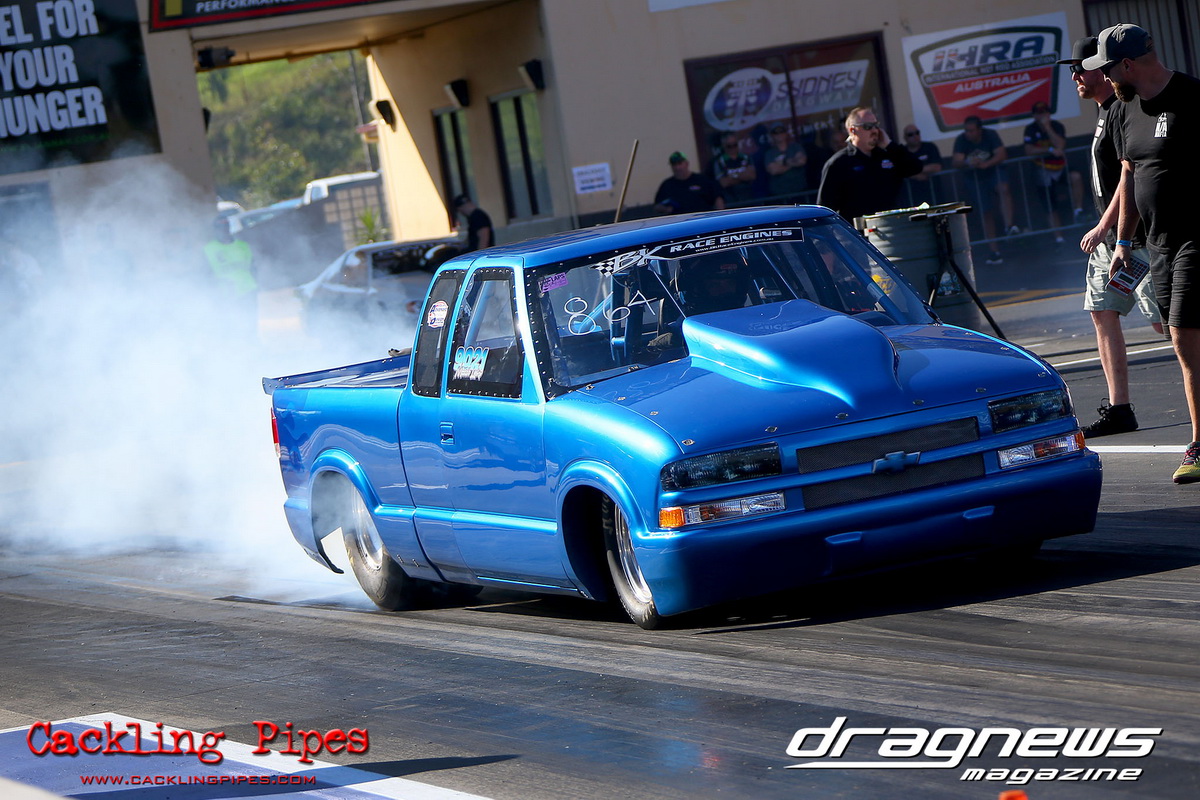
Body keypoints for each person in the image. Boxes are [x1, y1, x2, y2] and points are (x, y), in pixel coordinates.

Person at [1084, 23, 1200, 482]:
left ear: (1127, 64)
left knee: (1183, 334)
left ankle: (1198, 444)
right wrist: (1122, 242)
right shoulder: (1125, 109)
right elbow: (1129, 175)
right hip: (1157, 245)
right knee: (1181, 339)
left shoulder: (1192, 96)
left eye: (1106, 68)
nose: (1103, 76)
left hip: (1195, 239)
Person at [1060, 35, 1163, 437]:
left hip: (1135, 237)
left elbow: (1128, 173)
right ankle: (1120, 409)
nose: (1075, 77)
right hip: (1111, 241)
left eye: (1079, 69)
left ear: (1101, 70)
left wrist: (1107, 226)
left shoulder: (1122, 109)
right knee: (1102, 312)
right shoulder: (1104, 111)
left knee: (1167, 325)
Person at [816, 106, 922, 224]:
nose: (874, 130)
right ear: (853, 130)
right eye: (868, 126)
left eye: (876, 125)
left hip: (893, 227)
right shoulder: (839, 163)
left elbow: (916, 167)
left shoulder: (887, 154)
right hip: (859, 232)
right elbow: (825, 208)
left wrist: (889, 144)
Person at [952, 115, 1018, 265]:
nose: (968, 134)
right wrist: (968, 162)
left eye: (971, 131)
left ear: (979, 130)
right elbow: (956, 161)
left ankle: (1009, 226)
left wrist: (986, 164)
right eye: (966, 130)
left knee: (1003, 188)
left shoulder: (990, 135)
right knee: (985, 211)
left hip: (993, 172)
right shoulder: (961, 140)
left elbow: (1001, 154)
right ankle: (994, 251)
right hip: (974, 178)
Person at [1023, 101, 1076, 245]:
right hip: (1042, 169)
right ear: (1034, 115)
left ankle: (1079, 210)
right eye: (1039, 113)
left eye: (1044, 112)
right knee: (1049, 203)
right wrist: (1050, 150)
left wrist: (1048, 128)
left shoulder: (1057, 126)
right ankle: (1059, 238)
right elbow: (1029, 150)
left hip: (1060, 167)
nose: (1042, 116)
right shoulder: (1030, 129)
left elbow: (1060, 144)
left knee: (1075, 177)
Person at [676, 254, 753, 315]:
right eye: (714, 285)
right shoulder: (679, 329)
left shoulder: (755, 319)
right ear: (698, 290)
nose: (723, 290)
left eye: (730, 284)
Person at [654, 152, 725, 215]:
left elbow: (718, 197)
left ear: (687, 164)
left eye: (680, 163)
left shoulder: (702, 180)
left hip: (702, 220)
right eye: (674, 165)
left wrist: (720, 216)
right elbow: (657, 206)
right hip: (680, 223)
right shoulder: (667, 185)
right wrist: (666, 209)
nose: (677, 167)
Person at [763, 124, 808, 202]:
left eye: (781, 131)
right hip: (779, 196)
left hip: (799, 193)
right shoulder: (769, 153)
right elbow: (774, 170)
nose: (779, 134)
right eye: (775, 133)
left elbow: (801, 161)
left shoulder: (795, 147)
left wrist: (782, 163)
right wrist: (792, 162)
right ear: (772, 135)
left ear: (786, 133)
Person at [902, 124, 943, 207]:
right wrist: (915, 175)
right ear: (905, 138)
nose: (915, 136)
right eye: (910, 134)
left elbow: (937, 167)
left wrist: (913, 171)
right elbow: (899, 170)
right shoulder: (902, 152)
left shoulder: (929, 147)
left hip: (933, 192)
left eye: (917, 133)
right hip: (911, 196)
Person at [712, 132, 757, 207]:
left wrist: (732, 176)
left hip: (748, 198)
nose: (733, 148)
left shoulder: (746, 157)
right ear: (724, 146)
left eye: (735, 145)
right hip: (731, 201)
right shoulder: (719, 161)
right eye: (729, 146)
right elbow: (724, 183)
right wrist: (743, 176)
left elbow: (752, 176)